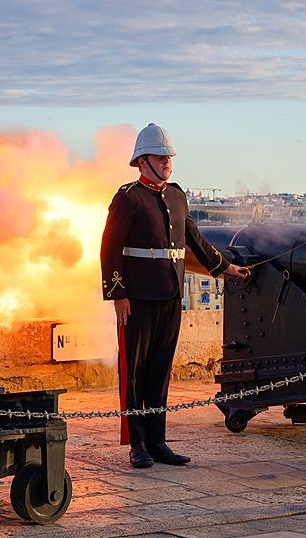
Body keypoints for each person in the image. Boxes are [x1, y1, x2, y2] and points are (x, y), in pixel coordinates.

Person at [100, 123, 248, 469]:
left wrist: (226, 268)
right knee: (134, 371)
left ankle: (157, 440)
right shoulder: (127, 198)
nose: (167, 162)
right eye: (160, 156)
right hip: (135, 299)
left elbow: (195, 241)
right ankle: (137, 444)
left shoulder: (178, 195)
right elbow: (109, 251)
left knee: (160, 370)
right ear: (142, 161)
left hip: (169, 295)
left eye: (169, 156)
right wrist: (118, 295)